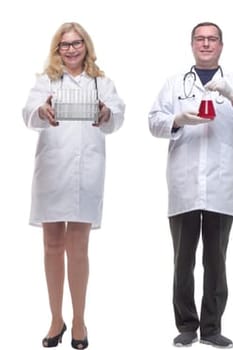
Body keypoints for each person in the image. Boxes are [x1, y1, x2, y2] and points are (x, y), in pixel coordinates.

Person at [146, 21, 233, 349]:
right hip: (184, 182)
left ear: (221, 46)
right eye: (200, 39)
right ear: (192, 45)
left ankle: (212, 328)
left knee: (216, 258)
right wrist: (177, 120)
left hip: (220, 183)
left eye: (212, 39)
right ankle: (187, 326)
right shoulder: (174, 84)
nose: (206, 44)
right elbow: (153, 121)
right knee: (182, 258)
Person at [23, 22, 124, 350]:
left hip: (86, 170)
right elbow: (28, 114)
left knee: (78, 248)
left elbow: (118, 115)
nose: (71, 49)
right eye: (64, 44)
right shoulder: (46, 81)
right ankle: (56, 318)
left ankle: (78, 319)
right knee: (52, 246)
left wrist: (107, 112)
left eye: (76, 43)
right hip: (52, 170)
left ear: (86, 46)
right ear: (57, 49)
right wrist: (41, 110)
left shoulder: (101, 82)